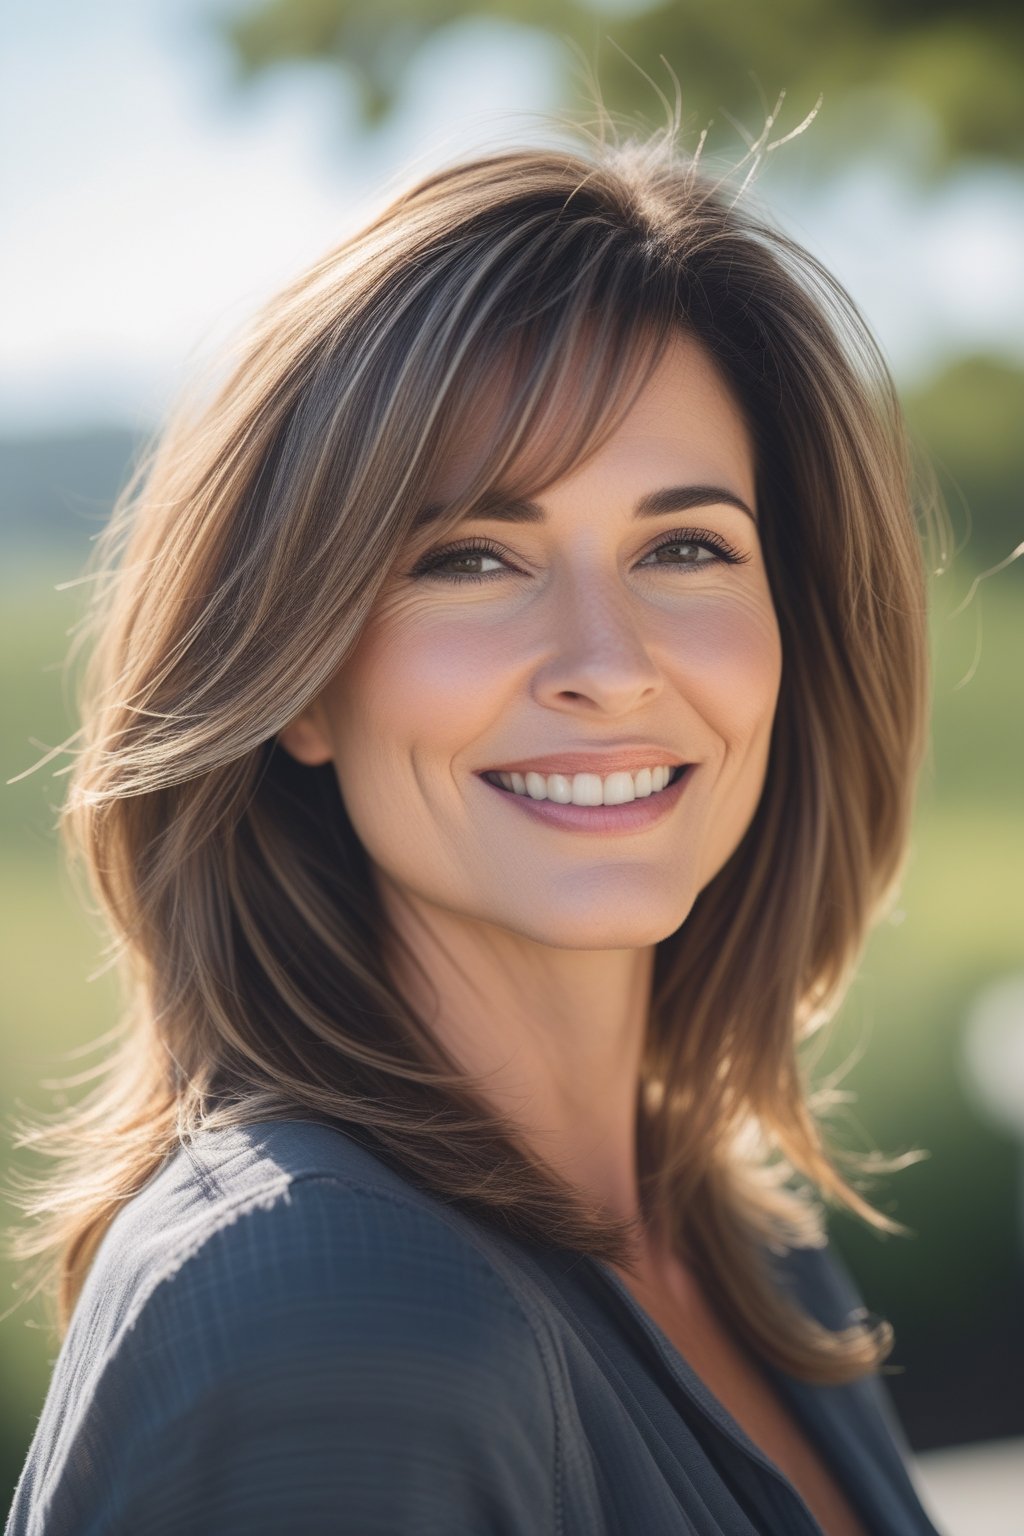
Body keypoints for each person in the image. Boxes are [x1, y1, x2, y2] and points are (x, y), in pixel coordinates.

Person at [3, 117, 947, 1535]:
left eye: (686, 546)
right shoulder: (323, 1309)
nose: (608, 665)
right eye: (472, 558)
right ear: (299, 680)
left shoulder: (756, 1253)